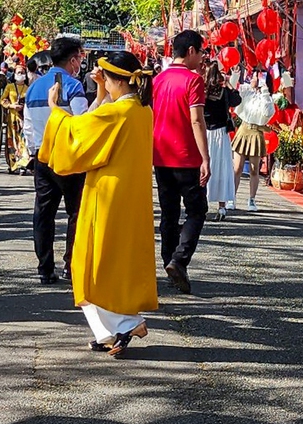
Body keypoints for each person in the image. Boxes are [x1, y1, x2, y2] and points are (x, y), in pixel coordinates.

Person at [43, 49, 158, 357]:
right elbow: (97, 121)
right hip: (129, 195)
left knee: (93, 263)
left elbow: (78, 132)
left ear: (116, 80)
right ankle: (109, 330)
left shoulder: (117, 112)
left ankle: (126, 323)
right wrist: (103, 90)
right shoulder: (140, 109)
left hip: (107, 196)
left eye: (105, 77)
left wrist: (55, 109)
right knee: (111, 263)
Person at [150, 31, 212, 294]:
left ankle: (169, 262)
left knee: (169, 213)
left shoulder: (158, 80)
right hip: (186, 157)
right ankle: (179, 259)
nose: (201, 58)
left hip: (161, 156)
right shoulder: (193, 80)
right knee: (197, 211)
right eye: (200, 52)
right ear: (190, 52)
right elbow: (197, 120)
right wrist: (206, 157)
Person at [25, 38, 89, 284]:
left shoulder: (34, 87)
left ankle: (45, 268)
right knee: (76, 212)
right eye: (80, 58)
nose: (80, 64)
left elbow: (28, 126)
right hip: (69, 157)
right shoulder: (72, 86)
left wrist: (33, 152)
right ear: (73, 60)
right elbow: (82, 122)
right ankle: (70, 265)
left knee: (43, 213)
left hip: (42, 156)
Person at [203, 62, 239, 219]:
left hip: (204, 132)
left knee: (204, 166)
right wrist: (230, 84)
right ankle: (222, 206)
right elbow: (237, 100)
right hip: (221, 133)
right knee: (223, 167)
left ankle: (202, 203)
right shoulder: (224, 92)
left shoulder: (202, 91)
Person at [230, 82, 274, 212]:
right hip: (243, 130)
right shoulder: (247, 92)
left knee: (254, 170)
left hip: (256, 133)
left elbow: (267, 113)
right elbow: (236, 96)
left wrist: (265, 91)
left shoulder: (267, 99)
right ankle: (231, 198)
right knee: (237, 168)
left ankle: (252, 199)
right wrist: (236, 76)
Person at [2, 69, 28, 172]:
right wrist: (11, 105)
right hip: (12, 117)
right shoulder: (10, 87)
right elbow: (2, 99)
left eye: (22, 72)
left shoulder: (28, 88)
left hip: (23, 118)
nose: (21, 74)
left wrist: (23, 106)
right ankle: (13, 164)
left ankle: (23, 164)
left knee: (22, 140)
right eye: (19, 72)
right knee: (11, 140)